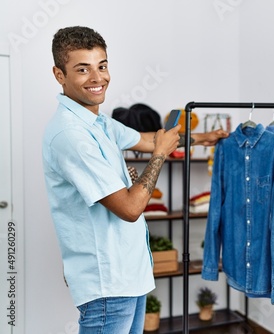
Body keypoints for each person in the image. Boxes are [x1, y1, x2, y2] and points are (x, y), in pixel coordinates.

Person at [42, 26, 228, 333]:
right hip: (108, 284)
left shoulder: (98, 122)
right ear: (59, 75)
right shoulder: (72, 136)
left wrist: (205, 137)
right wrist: (159, 156)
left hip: (130, 276)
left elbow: (148, 138)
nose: (97, 78)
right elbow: (130, 209)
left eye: (101, 66)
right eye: (82, 69)